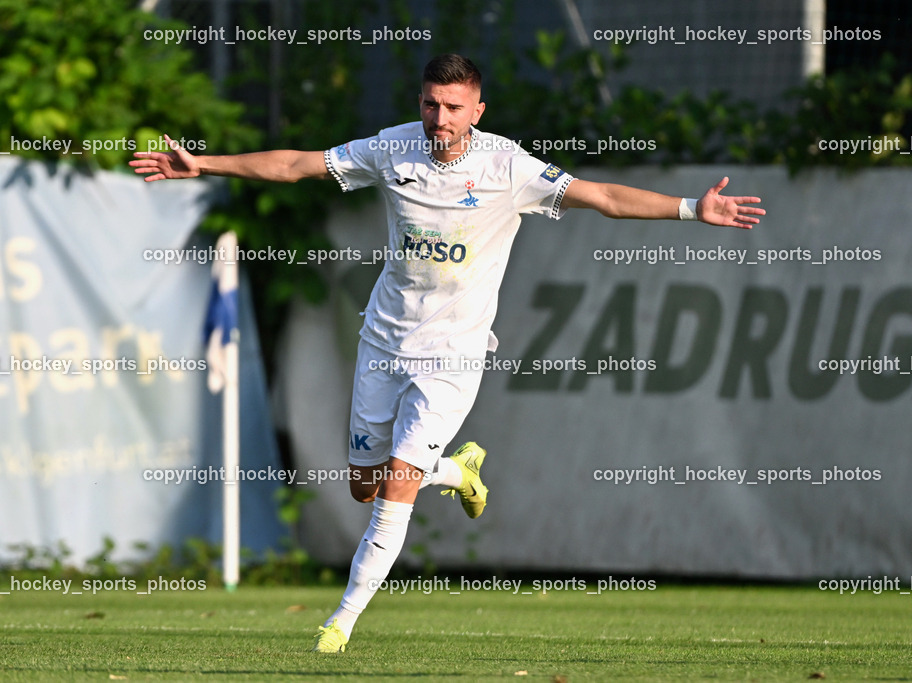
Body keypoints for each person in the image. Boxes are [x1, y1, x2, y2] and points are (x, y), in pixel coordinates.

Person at [129, 53, 764, 653]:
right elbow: (299, 165)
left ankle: (340, 622)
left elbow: (602, 197)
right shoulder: (393, 147)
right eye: (432, 105)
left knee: (397, 485)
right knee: (364, 485)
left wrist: (691, 209)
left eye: (454, 108)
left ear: (478, 111)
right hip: (383, 339)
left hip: (455, 353)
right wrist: (204, 165)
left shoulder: (508, 167)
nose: (441, 119)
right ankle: (459, 472)